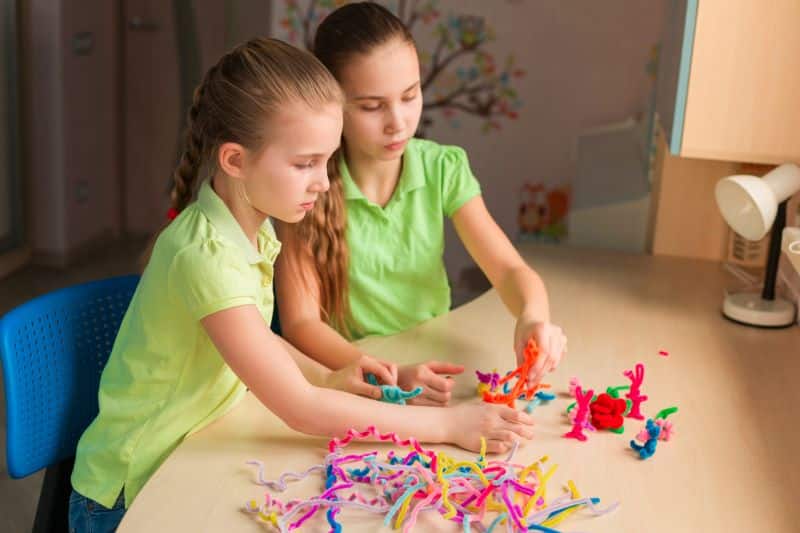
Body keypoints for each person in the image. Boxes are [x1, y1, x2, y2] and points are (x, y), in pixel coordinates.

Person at [68, 38, 533, 533]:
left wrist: (330, 376)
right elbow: (301, 409)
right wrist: (448, 425)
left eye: (326, 162)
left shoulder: (253, 226)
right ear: (234, 160)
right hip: (130, 493)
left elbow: (257, 338)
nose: (324, 183)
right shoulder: (203, 255)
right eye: (304, 164)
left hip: (203, 442)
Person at [277, 3, 566, 407]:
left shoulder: (442, 168)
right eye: (372, 106)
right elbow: (301, 324)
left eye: (410, 96)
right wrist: (387, 374)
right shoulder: (310, 186)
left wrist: (534, 316)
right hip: (356, 380)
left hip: (435, 363)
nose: (397, 121)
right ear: (332, 104)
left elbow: (508, 269)